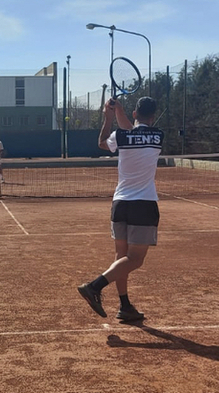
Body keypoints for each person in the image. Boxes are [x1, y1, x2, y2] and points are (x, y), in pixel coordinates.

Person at [78, 97, 164, 322]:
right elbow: (135, 131)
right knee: (134, 259)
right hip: (143, 204)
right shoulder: (157, 136)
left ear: (135, 114)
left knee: (121, 257)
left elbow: (102, 142)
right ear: (152, 117)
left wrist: (108, 118)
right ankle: (94, 286)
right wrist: (120, 113)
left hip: (120, 203)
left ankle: (125, 306)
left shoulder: (121, 136)